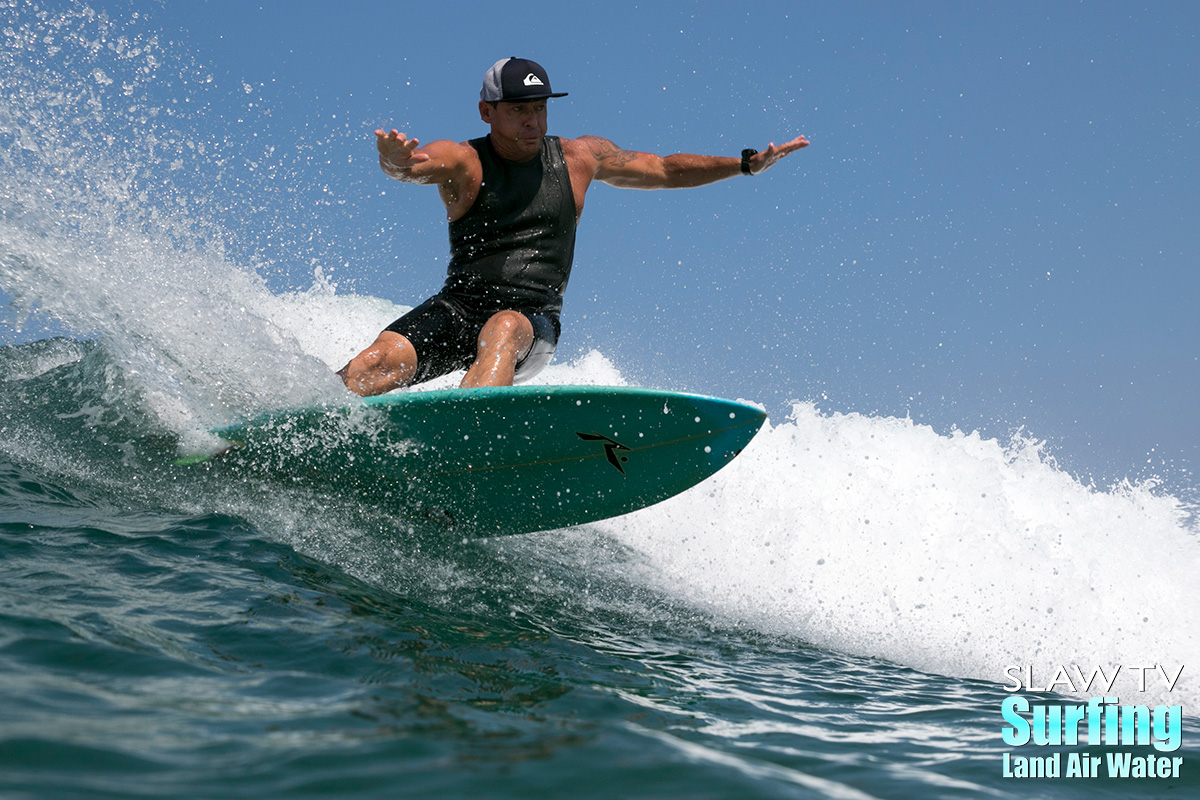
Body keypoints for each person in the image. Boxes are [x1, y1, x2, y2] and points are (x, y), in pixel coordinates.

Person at [339, 57, 808, 396]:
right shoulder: (465, 160)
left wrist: (744, 165)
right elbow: (413, 167)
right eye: (518, 109)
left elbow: (664, 169)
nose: (533, 120)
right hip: (459, 308)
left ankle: (465, 448)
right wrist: (394, 161)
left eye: (539, 107)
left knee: (503, 327)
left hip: (532, 322)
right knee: (372, 365)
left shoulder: (579, 157)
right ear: (487, 111)